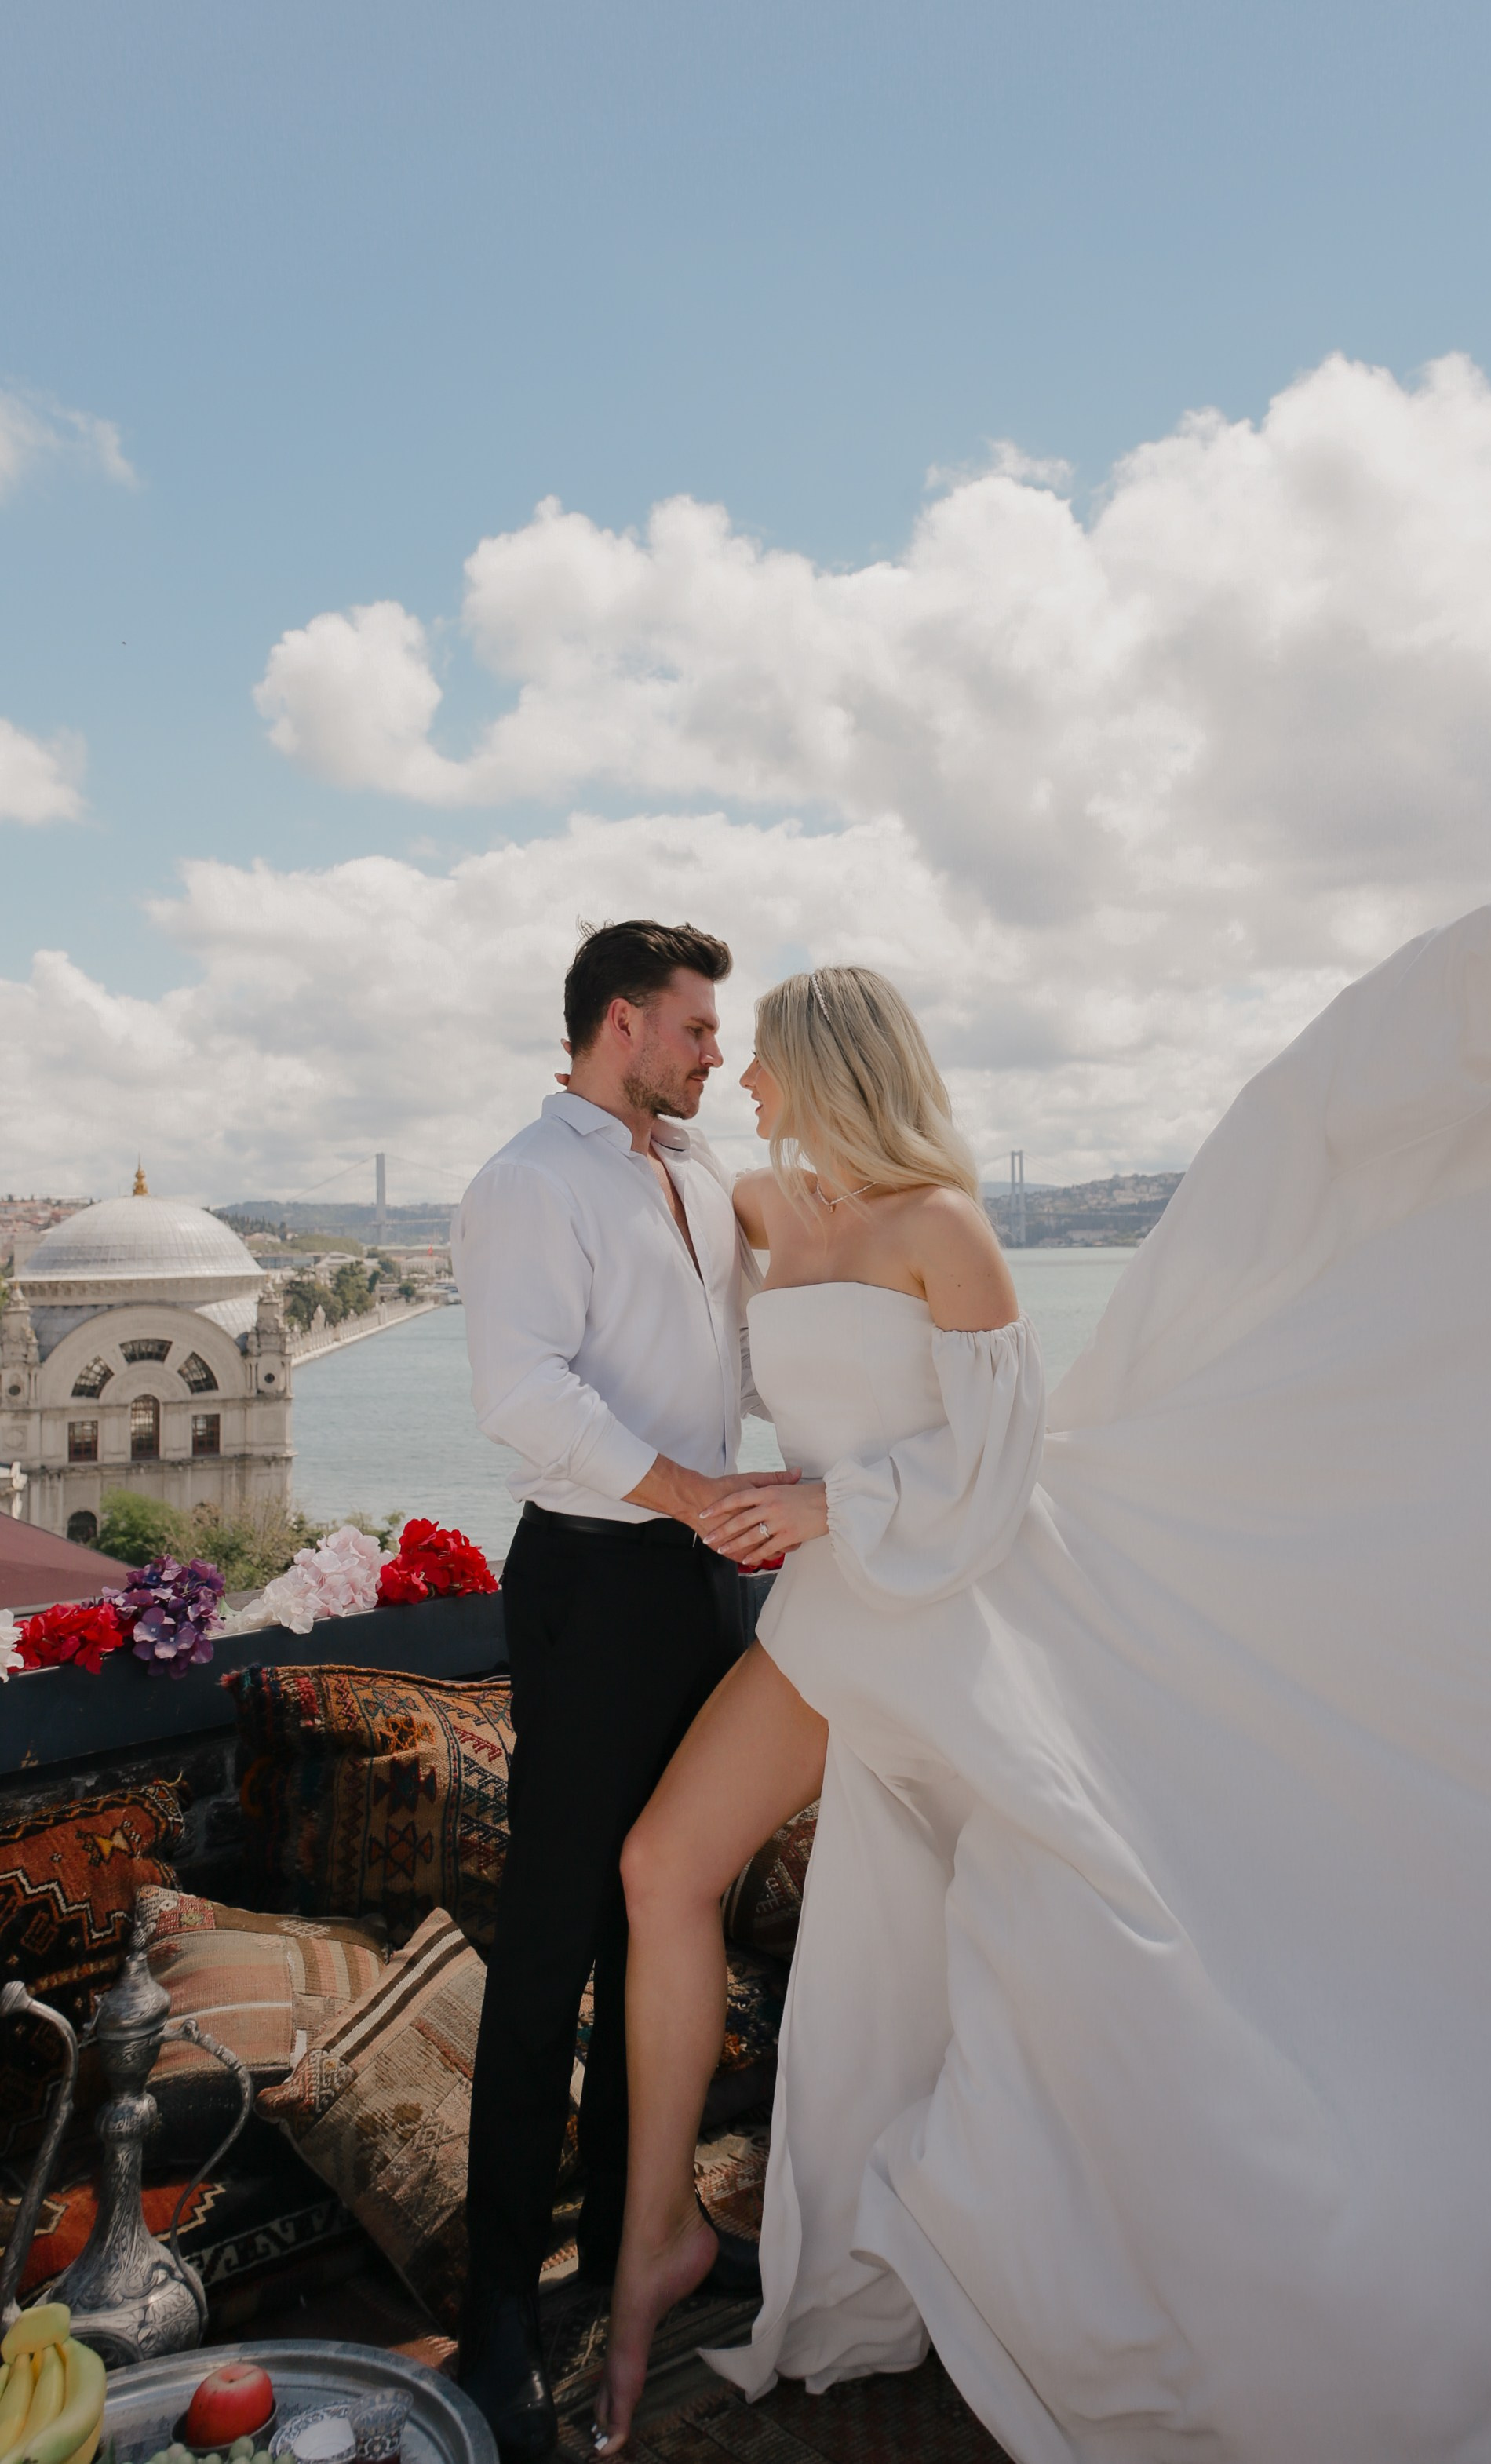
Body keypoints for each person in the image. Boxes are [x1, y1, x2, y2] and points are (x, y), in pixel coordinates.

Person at [594, 849, 1491, 2463]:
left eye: (770, 1045)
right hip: (830, 1620)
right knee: (667, 1860)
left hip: (951, 1610)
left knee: (1088, 1945)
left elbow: (998, 1462)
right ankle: (660, 2237)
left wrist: (829, 1497)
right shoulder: (757, 1203)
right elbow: (652, 1215)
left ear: (837, 1062)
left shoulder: (947, 1227)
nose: (744, 1069)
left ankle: (1221, 2259)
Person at [451, 918, 795, 2464]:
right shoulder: (527, 1182)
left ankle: (633, 2242)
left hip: (706, 1581)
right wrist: (691, 1494)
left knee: (673, 1910)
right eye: (697, 1028)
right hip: (596, 1584)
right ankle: (498, 2315)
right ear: (616, 1025)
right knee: (554, 1941)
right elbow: (526, 1395)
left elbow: (735, 1366)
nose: (718, 1050)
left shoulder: (703, 1178)